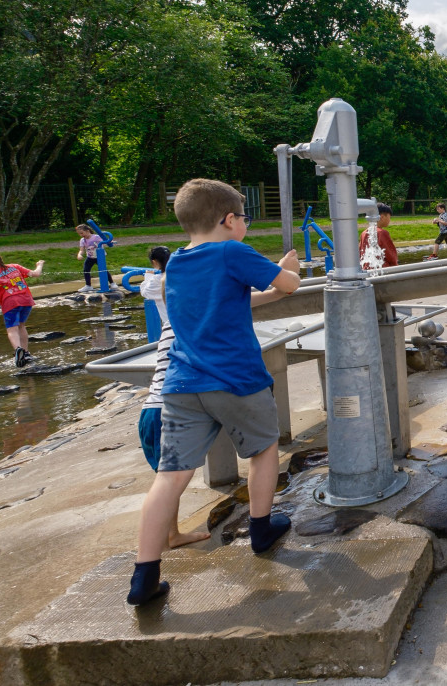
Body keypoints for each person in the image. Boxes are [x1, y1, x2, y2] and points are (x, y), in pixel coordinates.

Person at [127, 179, 301, 607]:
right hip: (236, 378)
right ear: (228, 219)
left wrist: (269, 291)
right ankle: (262, 529)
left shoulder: (177, 263)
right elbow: (291, 285)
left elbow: (229, 301)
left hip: (182, 384)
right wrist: (289, 268)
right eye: (244, 217)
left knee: (170, 477)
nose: (245, 225)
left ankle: (143, 577)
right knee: (263, 451)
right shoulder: (232, 251)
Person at [136, 246, 209, 550]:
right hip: (168, 412)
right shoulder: (186, 330)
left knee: (166, 479)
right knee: (170, 482)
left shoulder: (169, 325)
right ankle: (163, 540)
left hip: (149, 412)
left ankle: (170, 534)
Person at [0, 250, 45, 367]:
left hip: (10, 303)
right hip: (26, 300)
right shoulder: (14, 267)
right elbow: (36, 274)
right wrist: (39, 265)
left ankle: (17, 350)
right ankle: (25, 352)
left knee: (12, 329)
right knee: (21, 325)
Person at [359, 203, 399, 270]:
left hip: (367, 269)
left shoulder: (364, 233)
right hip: (382, 269)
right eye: (389, 217)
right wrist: (396, 266)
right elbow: (390, 255)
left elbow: (361, 253)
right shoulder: (382, 233)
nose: (390, 220)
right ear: (382, 217)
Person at [76, 224, 102, 292]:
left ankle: (112, 283)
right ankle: (88, 285)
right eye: (79, 234)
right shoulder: (82, 240)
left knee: (103, 270)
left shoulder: (96, 237)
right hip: (90, 257)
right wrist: (79, 255)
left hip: (99, 257)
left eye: (82, 233)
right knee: (86, 270)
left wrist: (111, 242)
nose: (81, 235)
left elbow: (106, 240)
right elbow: (81, 250)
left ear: (87, 231)